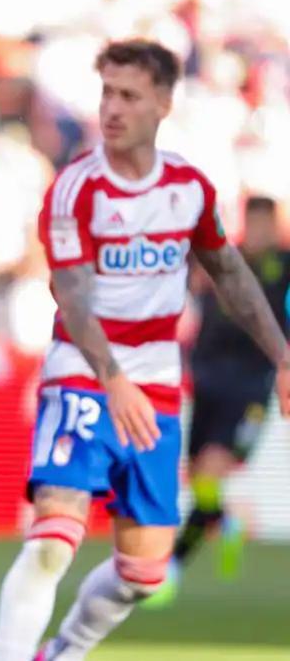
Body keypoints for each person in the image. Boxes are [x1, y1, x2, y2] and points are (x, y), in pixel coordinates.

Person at [0, 40, 290, 661]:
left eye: (129, 95)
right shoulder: (76, 189)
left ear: (162, 103)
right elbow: (72, 297)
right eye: (107, 94)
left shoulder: (187, 190)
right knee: (54, 537)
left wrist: (282, 355)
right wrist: (111, 376)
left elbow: (232, 276)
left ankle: (62, 651)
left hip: (153, 389)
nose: (113, 109)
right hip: (83, 375)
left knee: (142, 573)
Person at [142, 195, 290, 608]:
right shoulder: (219, 259)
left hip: (251, 385)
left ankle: (171, 565)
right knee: (199, 477)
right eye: (253, 224)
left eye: (266, 225)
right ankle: (224, 521)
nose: (259, 233)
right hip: (208, 381)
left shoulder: (284, 266)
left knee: (210, 469)